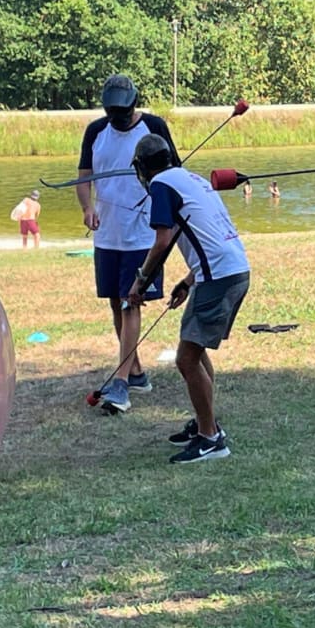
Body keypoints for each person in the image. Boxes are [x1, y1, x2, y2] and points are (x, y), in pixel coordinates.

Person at [126, 134, 250, 463]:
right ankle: (206, 424)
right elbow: (207, 232)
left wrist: (141, 280)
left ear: (141, 168)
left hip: (219, 277)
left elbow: (163, 239)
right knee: (194, 348)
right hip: (230, 270)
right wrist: (187, 280)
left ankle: (211, 439)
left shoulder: (161, 186)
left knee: (186, 359)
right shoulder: (190, 178)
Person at [76, 74, 180, 413]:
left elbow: (173, 173)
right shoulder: (95, 131)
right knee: (114, 301)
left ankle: (120, 384)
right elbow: (84, 178)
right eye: (112, 112)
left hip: (142, 232)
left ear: (134, 104)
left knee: (129, 301)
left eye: (123, 112)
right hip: (108, 234)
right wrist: (88, 207)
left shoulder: (153, 126)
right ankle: (135, 371)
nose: (118, 118)